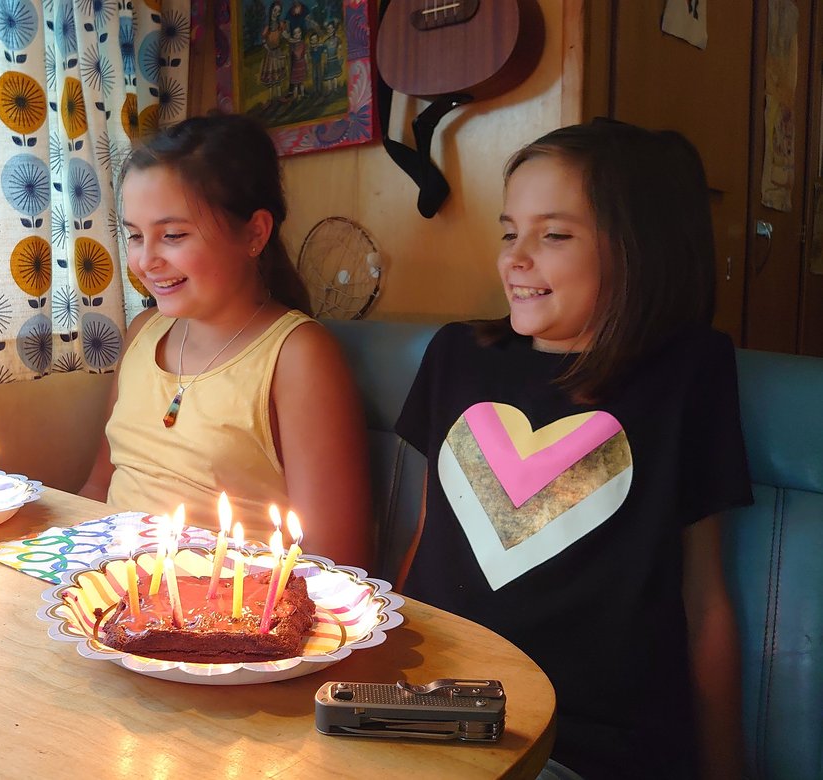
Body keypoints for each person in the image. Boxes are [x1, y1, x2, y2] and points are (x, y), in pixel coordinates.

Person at [394, 120, 751, 779]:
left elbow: (705, 598)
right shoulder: (456, 357)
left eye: (553, 235)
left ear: (638, 248)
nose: (515, 257)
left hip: (584, 743)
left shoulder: (689, 374)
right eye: (509, 231)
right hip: (424, 714)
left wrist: (725, 768)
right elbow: (428, 540)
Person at [79, 113, 373, 570]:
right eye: (134, 235)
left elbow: (338, 562)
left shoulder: (297, 356)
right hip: (111, 592)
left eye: (173, 235)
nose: (145, 260)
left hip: (225, 615)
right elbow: (99, 487)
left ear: (254, 232)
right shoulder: (143, 332)